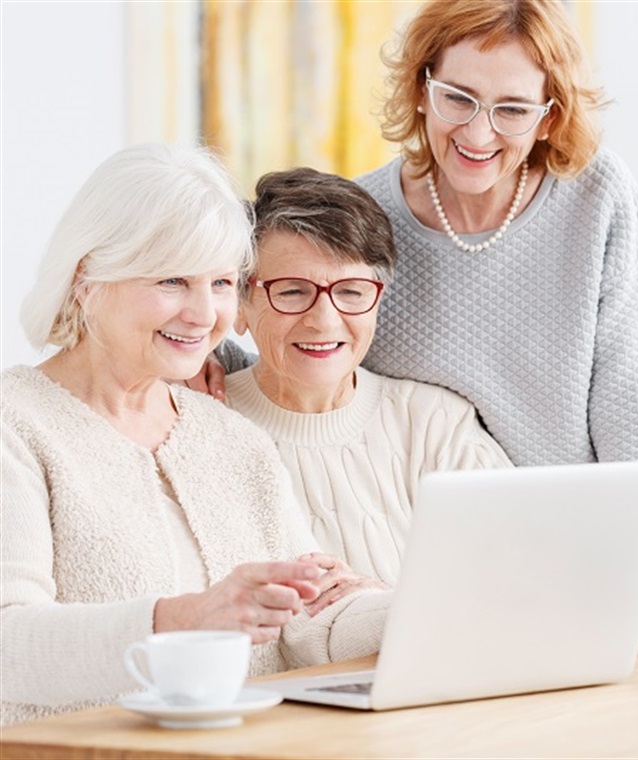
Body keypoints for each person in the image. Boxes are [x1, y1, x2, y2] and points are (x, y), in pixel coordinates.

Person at [213, 0, 638, 627]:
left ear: (549, 118)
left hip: (587, 546)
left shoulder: (596, 198)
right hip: (457, 562)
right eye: (458, 98)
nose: (477, 132)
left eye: (513, 109)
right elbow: (311, 333)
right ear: (421, 89)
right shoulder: (370, 216)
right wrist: (211, 355)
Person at [1, 144, 389, 726]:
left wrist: (414, 609)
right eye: (172, 280)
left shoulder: (233, 439)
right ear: (87, 278)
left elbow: (312, 623)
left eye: (221, 283)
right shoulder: (17, 423)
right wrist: (185, 618)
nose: (204, 314)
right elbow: (10, 646)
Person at [225, 167, 513, 586]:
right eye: (291, 291)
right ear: (239, 305)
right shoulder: (200, 431)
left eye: (351, 292)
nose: (324, 321)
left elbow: (521, 576)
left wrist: (377, 602)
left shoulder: (436, 425)